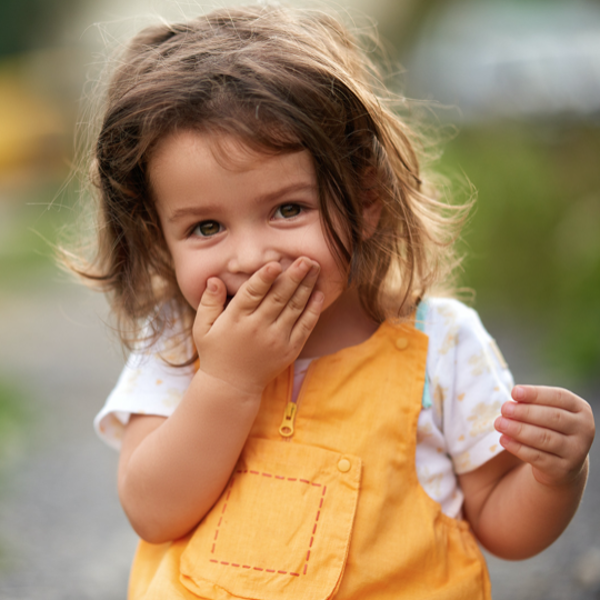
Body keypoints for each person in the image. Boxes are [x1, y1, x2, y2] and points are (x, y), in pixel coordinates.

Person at [78, 5, 595, 599]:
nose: (249, 256)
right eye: (205, 227)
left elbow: (502, 527)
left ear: (366, 198)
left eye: (288, 209)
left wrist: (557, 478)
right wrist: (228, 382)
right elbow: (152, 511)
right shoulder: (177, 338)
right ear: (158, 237)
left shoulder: (441, 343)